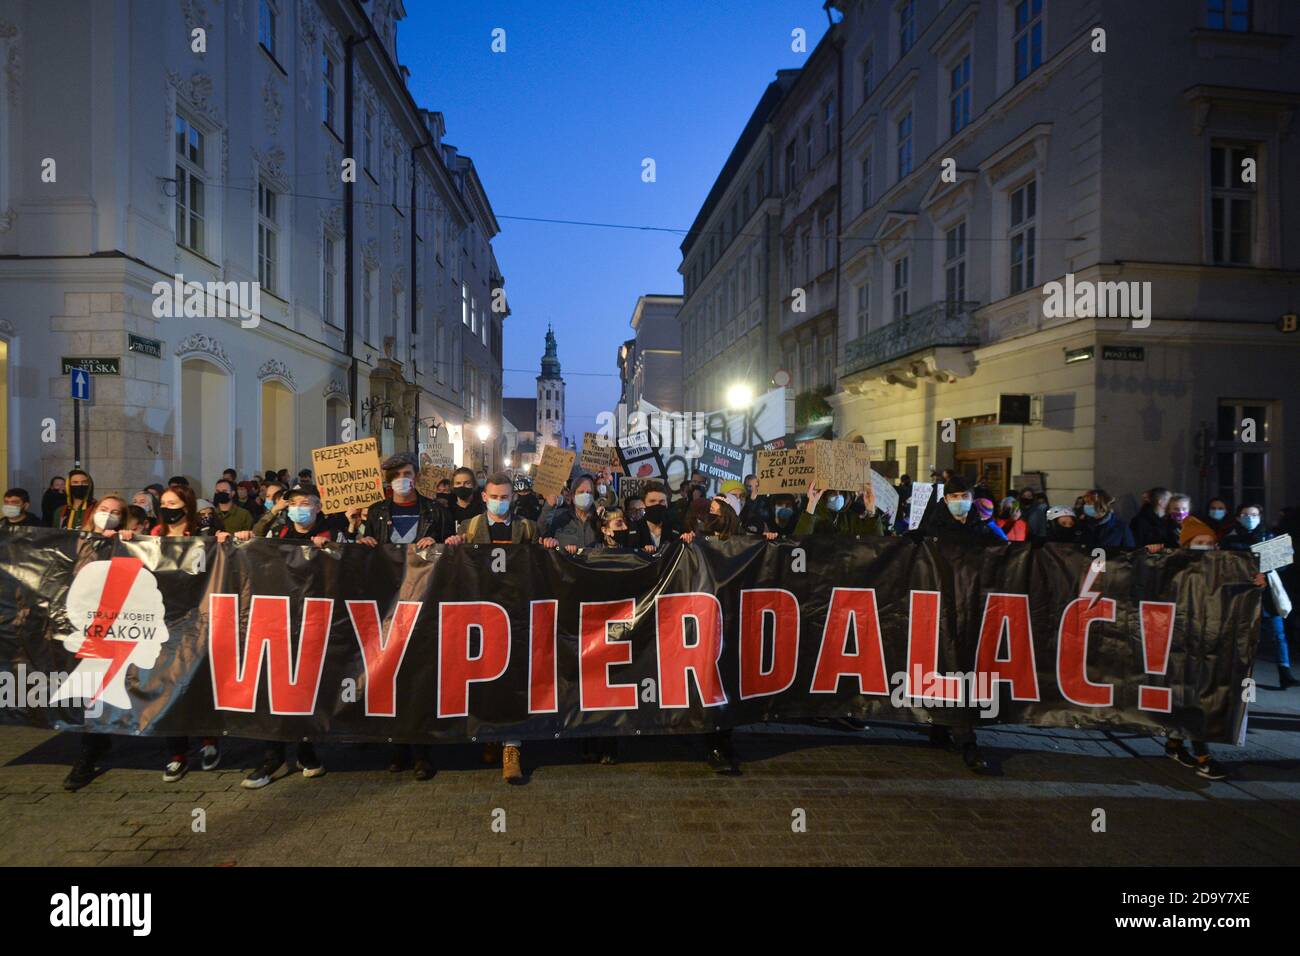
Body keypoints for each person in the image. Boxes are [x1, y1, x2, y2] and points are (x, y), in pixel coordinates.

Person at [445, 473, 556, 783]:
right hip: (482, 615)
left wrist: (546, 544)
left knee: (514, 679)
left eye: (505, 496)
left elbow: (542, 562)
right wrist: (454, 544)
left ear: (513, 498)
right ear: (484, 497)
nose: (500, 501)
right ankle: (491, 737)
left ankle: (512, 746)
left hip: (518, 616)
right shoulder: (469, 528)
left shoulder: (527, 528)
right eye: (494, 496)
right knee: (486, 677)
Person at [1222, 504, 1295, 689]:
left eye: (1254, 514)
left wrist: (1277, 562)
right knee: (1242, 635)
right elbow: (1226, 566)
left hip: (1267, 593)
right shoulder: (1229, 540)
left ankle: (1284, 672)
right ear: (1238, 517)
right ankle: (1239, 675)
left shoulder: (1269, 536)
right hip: (1242, 594)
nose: (1250, 518)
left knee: (1278, 634)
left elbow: (1283, 565)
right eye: (1245, 514)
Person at [539, 473, 603, 552]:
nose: (585, 495)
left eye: (589, 492)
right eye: (581, 492)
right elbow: (542, 529)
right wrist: (549, 507)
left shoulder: (599, 519)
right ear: (573, 496)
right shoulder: (560, 516)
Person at [794, 482, 885, 537]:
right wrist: (811, 505)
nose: (838, 495)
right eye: (832, 492)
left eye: (841, 492)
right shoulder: (813, 516)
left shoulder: (852, 518)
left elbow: (875, 546)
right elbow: (799, 545)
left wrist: (871, 510)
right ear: (824, 494)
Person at [625, 481, 676, 552]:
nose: (657, 505)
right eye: (652, 501)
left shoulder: (675, 529)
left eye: (661, 501)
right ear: (643, 504)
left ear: (667, 504)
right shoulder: (633, 528)